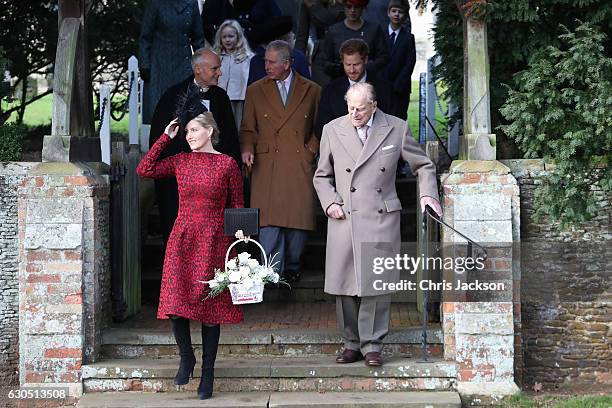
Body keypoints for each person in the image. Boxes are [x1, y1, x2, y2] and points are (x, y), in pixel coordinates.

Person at [313, 83, 442, 367]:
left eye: (360, 108)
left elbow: (423, 166)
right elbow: (321, 176)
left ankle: (373, 344)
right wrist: (330, 202)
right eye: (350, 108)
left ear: (373, 104)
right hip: (344, 215)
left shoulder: (395, 127)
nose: (354, 114)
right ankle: (351, 343)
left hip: (380, 215)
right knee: (344, 283)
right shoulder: (332, 129)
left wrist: (428, 194)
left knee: (376, 283)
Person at [136, 110, 244, 400]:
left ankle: (207, 373)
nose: (189, 135)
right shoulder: (181, 160)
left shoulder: (227, 164)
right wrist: (164, 138)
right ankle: (187, 358)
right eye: (186, 132)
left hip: (214, 240)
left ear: (209, 130)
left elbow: (237, 204)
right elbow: (144, 170)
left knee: (210, 311)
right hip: (182, 237)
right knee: (175, 304)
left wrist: (239, 238)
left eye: (194, 130)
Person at [240, 40, 321, 283]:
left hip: (298, 161)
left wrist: (310, 151)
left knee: (297, 218)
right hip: (266, 163)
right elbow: (247, 128)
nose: (266, 65)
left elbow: (321, 126)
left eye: (272, 62)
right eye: (265, 60)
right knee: (268, 221)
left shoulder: (312, 90)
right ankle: (272, 272)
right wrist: (246, 149)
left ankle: (293, 266)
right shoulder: (255, 90)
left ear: (287, 64)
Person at [149, 48, 241, 243]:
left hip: (214, 184)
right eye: (215, 68)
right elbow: (162, 138)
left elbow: (230, 140)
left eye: (219, 68)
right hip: (181, 185)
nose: (220, 73)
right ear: (198, 69)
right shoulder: (172, 96)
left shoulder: (221, 98)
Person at [139, 0, 205, 124]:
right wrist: (144, 65)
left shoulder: (191, 3)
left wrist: (202, 64)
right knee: (159, 113)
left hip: (183, 64)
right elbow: (145, 37)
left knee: (184, 111)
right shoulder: (155, 3)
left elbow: (198, 38)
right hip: (160, 66)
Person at [314, 38, 395, 138]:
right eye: (348, 65)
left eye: (356, 65)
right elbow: (321, 128)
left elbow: (393, 125)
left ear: (365, 60)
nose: (352, 70)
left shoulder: (385, 88)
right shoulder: (330, 91)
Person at [321, 0, 389, 81]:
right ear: (344, 7)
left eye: (356, 7)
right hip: (340, 83)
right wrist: (341, 68)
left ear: (362, 8)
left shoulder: (374, 29)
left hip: (369, 82)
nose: (352, 10)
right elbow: (325, 62)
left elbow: (383, 57)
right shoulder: (333, 31)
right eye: (349, 7)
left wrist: (365, 67)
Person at [212, 20, 255, 129]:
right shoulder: (216, 57)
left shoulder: (247, 58)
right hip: (219, 100)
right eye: (224, 37)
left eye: (231, 36)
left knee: (238, 128)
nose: (227, 40)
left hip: (239, 101)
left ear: (238, 36)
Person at [295, 0, 345, 86]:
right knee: (322, 93)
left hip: (343, 52)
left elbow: (330, 21)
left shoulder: (342, 3)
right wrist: (295, 62)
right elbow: (301, 37)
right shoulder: (307, 3)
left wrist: (313, 8)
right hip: (321, 55)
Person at [382, 0, 416, 120]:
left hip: (401, 88)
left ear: (405, 15)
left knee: (399, 118)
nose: (396, 14)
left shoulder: (408, 38)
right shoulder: (380, 35)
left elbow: (410, 63)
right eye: (394, 11)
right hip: (382, 85)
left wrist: (399, 83)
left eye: (400, 12)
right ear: (388, 13)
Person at [201, 0, 282, 46]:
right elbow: (205, 25)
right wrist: (219, 45)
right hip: (228, 54)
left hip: (258, 51)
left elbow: (278, 22)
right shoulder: (215, 2)